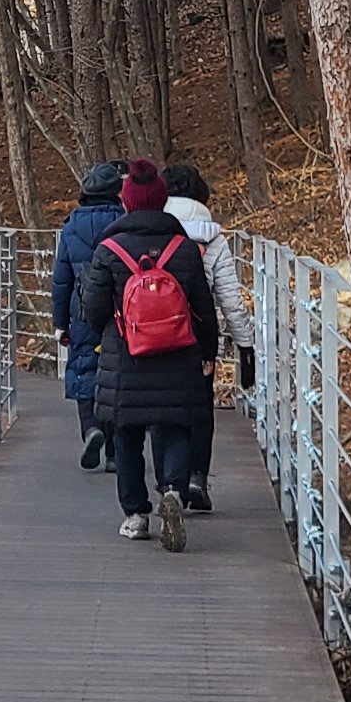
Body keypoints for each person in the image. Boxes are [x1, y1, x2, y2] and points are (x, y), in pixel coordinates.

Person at [74, 161, 221, 550]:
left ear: (126, 203)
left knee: (126, 435)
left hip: (126, 359)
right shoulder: (184, 248)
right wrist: (209, 351)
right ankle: (172, 490)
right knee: (175, 427)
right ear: (161, 202)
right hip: (178, 355)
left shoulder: (109, 250)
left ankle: (136, 515)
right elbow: (203, 307)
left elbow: (92, 312)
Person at [156, 164, 235, 515]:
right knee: (201, 407)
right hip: (199, 333)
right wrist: (244, 343)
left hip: (157, 332)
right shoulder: (213, 237)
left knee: (162, 408)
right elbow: (229, 297)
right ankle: (197, 477)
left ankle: (168, 483)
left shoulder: (156, 232)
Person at [51, 161, 126, 469]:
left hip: (80, 310)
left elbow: (61, 280)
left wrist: (60, 322)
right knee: (116, 373)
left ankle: (91, 428)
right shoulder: (123, 222)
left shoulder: (71, 227)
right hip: (118, 311)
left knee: (84, 368)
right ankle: (114, 452)